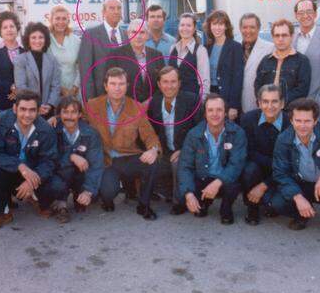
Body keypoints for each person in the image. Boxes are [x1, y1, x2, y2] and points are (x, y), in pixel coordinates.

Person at [267, 98, 320, 245]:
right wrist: (297, 197)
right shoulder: (283, 139)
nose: (302, 126)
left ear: (315, 121)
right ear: (291, 121)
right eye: (298, 121)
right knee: (278, 203)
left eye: (307, 121)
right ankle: (302, 214)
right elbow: (280, 173)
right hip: (302, 185)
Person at [85, 67, 163, 220]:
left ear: (127, 85)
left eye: (121, 84)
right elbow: (76, 122)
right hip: (105, 160)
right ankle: (108, 196)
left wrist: (153, 150)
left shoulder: (136, 107)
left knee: (152, 163)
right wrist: (57, 120)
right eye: (113, 84)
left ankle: (144, 205)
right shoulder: (92, 105)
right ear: (105, 86)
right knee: (107, 193)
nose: (117, 88)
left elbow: (150, 135)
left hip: (127, 157)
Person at [0, 90, 59, 230]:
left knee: (55, 184)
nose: (27, 115)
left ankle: (37, 198)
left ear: (38, 111)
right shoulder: (0, 121)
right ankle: (2, 212)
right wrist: (20, 166)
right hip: (10, 170)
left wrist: (31, 181)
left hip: (34, 173)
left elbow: (49, 161)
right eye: (23, 109)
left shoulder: (46, 130)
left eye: (32, 110)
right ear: (15, 108)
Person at [177, 94, 247, 224]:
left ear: (225, 113)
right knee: (197, 209)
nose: (215, 114)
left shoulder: (237, 133)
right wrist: (189, 194)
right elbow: (185, 166)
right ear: (205, 113)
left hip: (226, 179)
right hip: (203, 177)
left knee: (235, 180)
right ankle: (204, 202)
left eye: (219, 110)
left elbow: (236, 164)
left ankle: (226, 208)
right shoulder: (194, 134)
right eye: (210, 110)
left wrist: (218, 182)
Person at [146, 65, 202, 215]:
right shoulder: (155, 103)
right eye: (165, 82)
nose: (169, 86)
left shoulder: (192, 100)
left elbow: (200, 130)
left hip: (187, 149)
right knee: (150, 162)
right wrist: (154, 148)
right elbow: (150, 131)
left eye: (173, 81)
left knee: (177, 163)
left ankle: (180, 202)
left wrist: (183, 149)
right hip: (165, 149)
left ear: (179, 83)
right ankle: (165, 192)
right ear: (159, 84)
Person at [239, 83, 289, 226]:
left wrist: (264, 185)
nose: (270, 106)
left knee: (277, 204)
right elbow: (247, 152)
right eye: (265, 101)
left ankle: (269, 201)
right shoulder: (248, 120)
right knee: (249, 169)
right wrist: (272, 163)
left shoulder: (290, 123)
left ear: (282, 103)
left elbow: (289, 162)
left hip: (283, 171)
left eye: (274, 101)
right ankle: (252, 206)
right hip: (258, 167)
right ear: (259, 103)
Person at [50, 96, 104, 223]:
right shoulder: (52, 131)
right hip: (60, 174)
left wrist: (88, 191)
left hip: (81, 175)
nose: (69, 116)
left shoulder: (91, 133)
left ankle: (78, 193)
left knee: (90, 197)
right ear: (59, 115)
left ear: (80, 114)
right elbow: (50, 159)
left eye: (73, 112)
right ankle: (61, 202)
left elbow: (96, 164)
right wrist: (71, 156)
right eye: (65, 112)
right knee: (55, 181)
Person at [76, 0, 130, 101]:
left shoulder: (125, 34)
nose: (116, 11)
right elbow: (85, 69)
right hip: (99, 95)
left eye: (119, 8)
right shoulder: (91, 34)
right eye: (112, 8)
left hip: (123, 96)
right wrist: (89, 98)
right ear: (103, 12)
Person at [254, 19, 310, 108]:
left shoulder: (302, 61)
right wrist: (263, 102)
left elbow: (302, 89)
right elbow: (257, 85)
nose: (280, 39)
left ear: (291, 36)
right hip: (266, 111)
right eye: (277, 35)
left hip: (290, 112)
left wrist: (281, 102)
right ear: (272, 37)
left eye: (284, 35)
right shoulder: (266, 60)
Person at [13, 22, 62, 118]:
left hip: (49, 110)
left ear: (45, 40)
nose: (37, 41)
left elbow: (56, 86)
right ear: (28, 40)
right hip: (29, 110)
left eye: (41, 37)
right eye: (33, 37)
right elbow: (21, 87)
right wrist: (37, 106)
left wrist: (50, 105)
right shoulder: (20, 60)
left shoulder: (52, 59)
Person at [204, 10, 244, 121]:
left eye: (221, 24)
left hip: (227, 97)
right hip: (210, 95)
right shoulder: (206, 47)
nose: (217, 28)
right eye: (214, 24)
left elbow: (238, 78)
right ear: (210, 26)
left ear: (226, 27)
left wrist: (233, 106)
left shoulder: (235, 47)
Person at [114, 18, 162, 106]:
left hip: (152, 108)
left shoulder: (157, 55)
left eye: (142, 32)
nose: (138, 36)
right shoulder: (116, 55)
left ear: (147, 35)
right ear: (128, 34)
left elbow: (162, 83)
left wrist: (150, 101)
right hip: (125, 108)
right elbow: (112, 85)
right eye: (134, 32)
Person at [166, 12, 210, 106]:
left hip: (192, 102)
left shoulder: (200, 50)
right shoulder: (172, 48)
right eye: (182, 25)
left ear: (194, 29)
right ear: (178, 27)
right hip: (174, 101)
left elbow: (204, 81)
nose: (185, 28)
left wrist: (201, 103)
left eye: (189, 25)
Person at [239, 12, 274, 115]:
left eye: (252, 27)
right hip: (236, 105)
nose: (248, 31)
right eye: (245, 27)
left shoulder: (270, 48)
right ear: (240, 29)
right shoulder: (235, 47)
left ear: (258, 28)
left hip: (258, 105)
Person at [47, 5, 82, 100]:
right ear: (51, 20)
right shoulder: (46, 41)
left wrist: (75, 87)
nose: (61, 22)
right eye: (57, 18)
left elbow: (81, 67)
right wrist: (61, 89)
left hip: (75, 90)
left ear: (68, 21)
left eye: (64, 19)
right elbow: (46, 69)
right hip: (53, 91)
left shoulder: (76, 41)